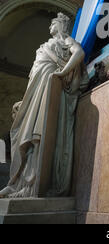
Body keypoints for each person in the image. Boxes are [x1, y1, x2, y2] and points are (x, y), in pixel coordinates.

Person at [0, 13, 87, 198]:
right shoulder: (45, 46)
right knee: (21, 136)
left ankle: (29, 185)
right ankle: (15, 183)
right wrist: (25, 100)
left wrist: (63, 71)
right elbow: (33, 78)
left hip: (48, 92)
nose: (50, 27)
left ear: (61, 25)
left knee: (36, 137)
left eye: (53, 23)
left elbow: (80, 53)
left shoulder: (67, 41)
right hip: (35, 94)